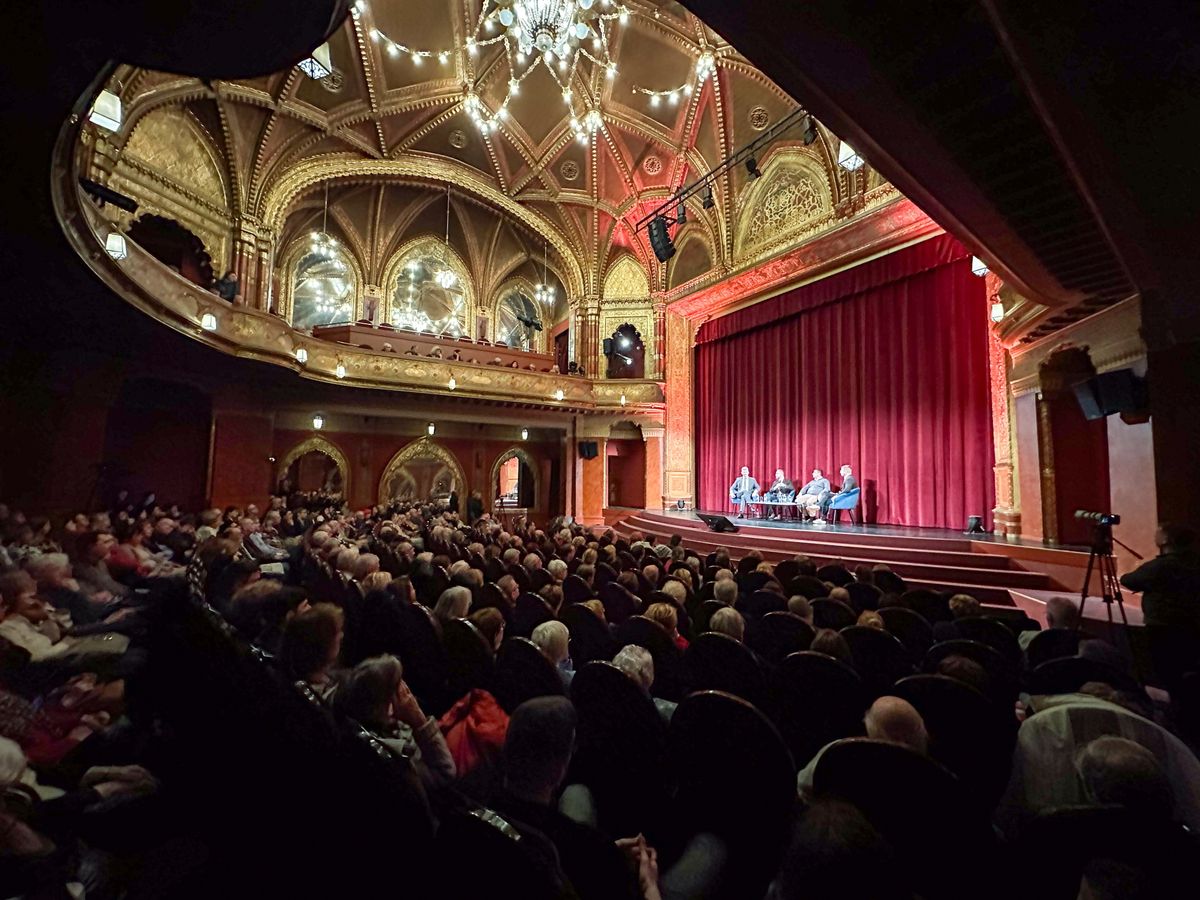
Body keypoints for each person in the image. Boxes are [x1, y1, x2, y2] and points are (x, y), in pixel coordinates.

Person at [1119, 523, 1200, 691]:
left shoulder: (1159, 567)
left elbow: (1128, 580)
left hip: (1163, 627)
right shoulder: (1194, 562)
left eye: (1159, 533)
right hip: (1193, 624)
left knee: (1168, 674)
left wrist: (1136, 568)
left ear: (1166, 540)